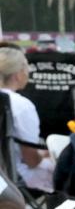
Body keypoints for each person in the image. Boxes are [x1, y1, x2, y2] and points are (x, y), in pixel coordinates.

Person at [0, 48, 52, 191]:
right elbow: (31, 161)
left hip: (4, 177)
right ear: (18, 75)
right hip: (12, 177)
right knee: (69, 169)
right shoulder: (21, 105)